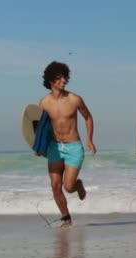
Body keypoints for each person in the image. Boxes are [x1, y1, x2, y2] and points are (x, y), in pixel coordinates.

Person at [38, 61, 96, 228]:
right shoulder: (44, 103)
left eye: (65, 77)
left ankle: (78, 185)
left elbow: (88, 117)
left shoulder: (74, 99)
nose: (64, 80)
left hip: (73, 147)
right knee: (55, 186)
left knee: (68, 186)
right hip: (54, 147)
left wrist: (90, 139)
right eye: (59, 78)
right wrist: (38, 147)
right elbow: (39, 128)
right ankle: (66, 219)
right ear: (51, 81)